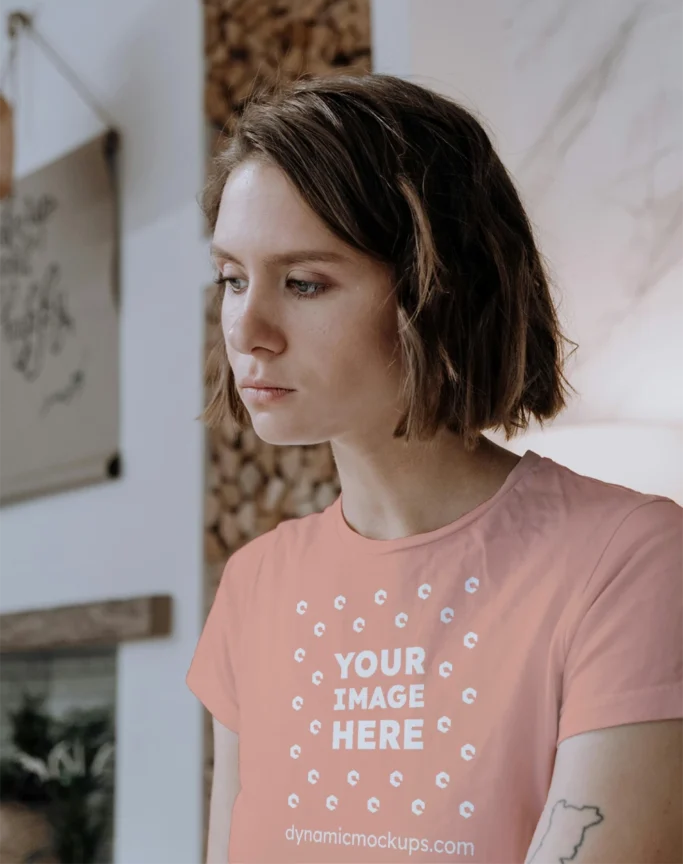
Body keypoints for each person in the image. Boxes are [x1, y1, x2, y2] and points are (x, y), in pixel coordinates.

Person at [186, 74, 683, 864]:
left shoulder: (628, 559)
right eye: (231, 279)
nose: (246, 327)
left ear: (437, 289)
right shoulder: (255, 585)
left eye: (304, 282)